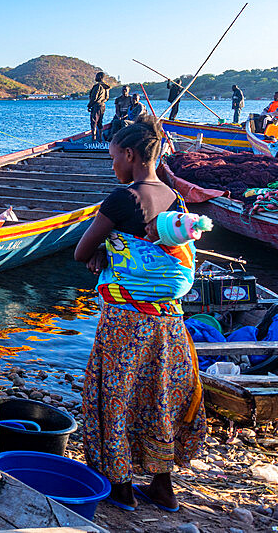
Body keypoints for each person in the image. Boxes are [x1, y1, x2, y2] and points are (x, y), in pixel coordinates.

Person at [73, 115, 206, 512]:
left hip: (126, 321)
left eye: (114, 157)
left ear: (130, 155)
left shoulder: (121, 198)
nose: (113, 165)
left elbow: (81, 252)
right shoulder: (174, 200)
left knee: (116, 396)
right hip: (169, 320)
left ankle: (123, 489)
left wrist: (100, 252)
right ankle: (164, 489)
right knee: (158, 397)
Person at [87, 72, 110, 142]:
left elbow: (94, 97)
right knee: (100, 122)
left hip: (96, 106)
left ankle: (93, 139)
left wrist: (89, 105)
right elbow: (107, 98)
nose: (95, 77)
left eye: (96, 76)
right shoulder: (106, 87)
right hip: (102, 106)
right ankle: (100, 139)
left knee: (93, 123)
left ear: (100, 77)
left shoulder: (97, 86)